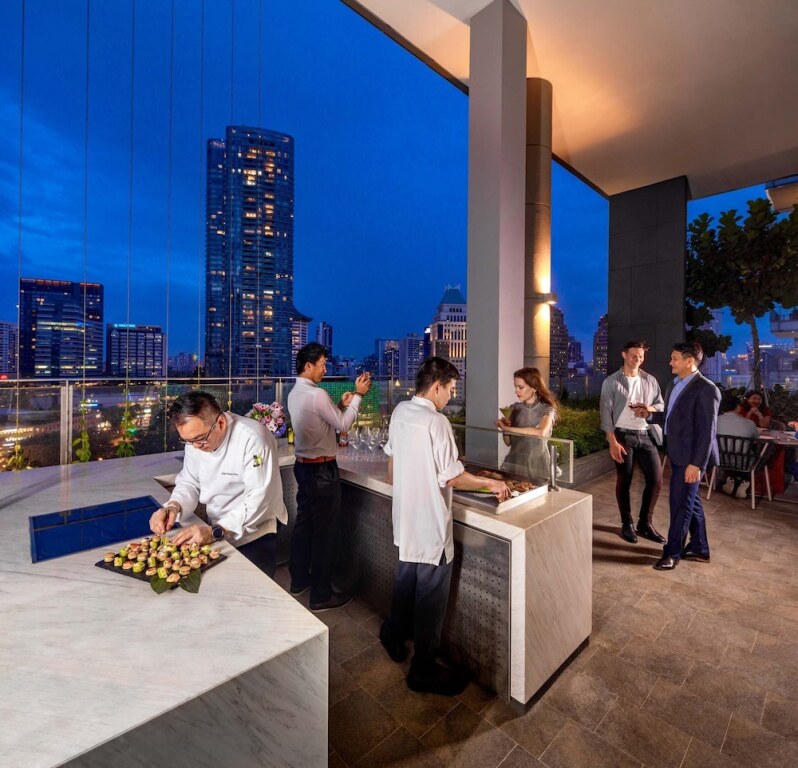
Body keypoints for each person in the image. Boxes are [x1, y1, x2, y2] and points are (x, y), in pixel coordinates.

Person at [380, 357, 510, 696]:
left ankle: (392, 635)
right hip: (429, 525)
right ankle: (422, 670)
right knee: (429, 600)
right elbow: (452, 477)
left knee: (405, 582)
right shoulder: (436, 422)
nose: (451, 396)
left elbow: (392, 461)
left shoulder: (400, 411)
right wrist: (490, 483)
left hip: (405, 518)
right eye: (450, 389)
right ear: (436, 386)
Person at [149, 390, 287, 577]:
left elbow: (258, 499)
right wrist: (173, 506)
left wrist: (215, 531)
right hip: (216, 529)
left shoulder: (254, 438)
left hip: (255, 533)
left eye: (200, 439)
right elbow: (189, 481)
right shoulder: (196, 441)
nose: (195, 447)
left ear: (220, 423)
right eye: (188, 441)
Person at [287, 342, 372, 611]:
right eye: (322, 364)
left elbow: (320, 420)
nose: (325, 369)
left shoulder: (295, 393)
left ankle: (299, 580)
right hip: (322, 472)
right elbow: (343, 424)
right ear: (309, 365)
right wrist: (358, 396)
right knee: (325, 534)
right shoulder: (316, 394)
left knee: (305, 526)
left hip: (303, 467)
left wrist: (338, 405)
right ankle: (321, 595)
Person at [653, 342, 720, 570]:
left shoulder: (707, 389)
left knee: (680, 505)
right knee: (690, 501)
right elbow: (671, 416)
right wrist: (649, 415)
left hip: (691, 458)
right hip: (677, 453)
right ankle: (700, 548)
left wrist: (696, 464)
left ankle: (672, 553)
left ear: (689, 360)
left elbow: (707, 431)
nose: (670, 362)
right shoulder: (673, 385)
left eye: (675, 358)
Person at [599, 340, 665, 544]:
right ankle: (626, 523)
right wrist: (612, 441)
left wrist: (648, 409)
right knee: (624, 479)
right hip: (622, 436)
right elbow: (605, 414)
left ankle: (645, 523)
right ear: (624, 355)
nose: (638, 359)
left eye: (641, 356)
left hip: (645, 434)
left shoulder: (650, 380)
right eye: (634, 355)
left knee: (656, 480)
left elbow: (660, 405)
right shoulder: (611, 381)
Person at [495, 367, 557, 481]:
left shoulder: (547, 409)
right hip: (515, 462)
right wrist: (505, 429)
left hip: (538, 464)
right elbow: (508, 442)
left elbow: (541, 432)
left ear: (534, 387)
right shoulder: (514, 408)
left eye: (520, 387)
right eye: (515, 387)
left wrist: (507, 429)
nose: (516, 391)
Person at [716, 391, 760, 498]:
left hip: (720, 460)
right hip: (744, 462)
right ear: (737, 406)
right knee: (752, 453)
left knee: (735, 454)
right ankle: (742, 480)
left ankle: (733, 480)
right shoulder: (749, 423)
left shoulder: (715, 421)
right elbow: (756, 440)